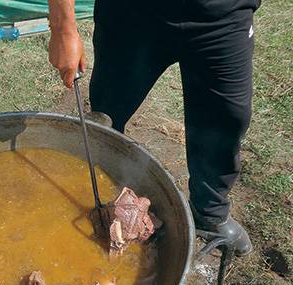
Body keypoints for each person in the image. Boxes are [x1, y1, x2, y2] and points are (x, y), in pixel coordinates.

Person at [47, 0, 258, 256]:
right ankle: (98, 202)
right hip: (133, 13)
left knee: (227, 120)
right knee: (108, 111)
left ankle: (209, 213)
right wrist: (63, 28)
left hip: (223, 17)